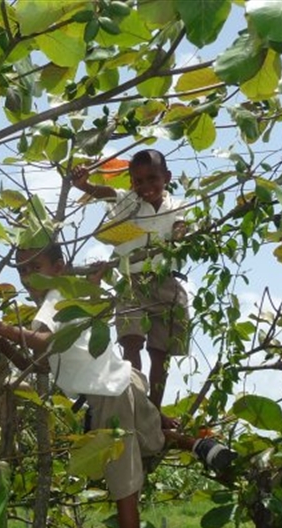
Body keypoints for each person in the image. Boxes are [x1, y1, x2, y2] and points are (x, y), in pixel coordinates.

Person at [0, 242, 234, 528]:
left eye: (35, 266)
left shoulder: (54, 301)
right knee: (151, 441)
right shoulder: (72, 297)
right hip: (127, 378)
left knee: (124, 488)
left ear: (59, 267)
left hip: (107, 395)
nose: (28, 277)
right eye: (22, 270)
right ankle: (203, 446)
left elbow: (47, 341)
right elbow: (43, 364)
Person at [72, 149, 189, 408]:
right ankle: (137, 403)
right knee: (132, 341)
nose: (146, 186)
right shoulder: (129, 202)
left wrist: (181, 233)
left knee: (161, 352)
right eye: (138, 181)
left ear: (166, 177)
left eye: (152, 179)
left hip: (167, 282)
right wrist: (85, 185)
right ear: (131, 183)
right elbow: (107, 193)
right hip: (132, 281)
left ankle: (154, 410)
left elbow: (182, 226)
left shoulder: (178, 205)